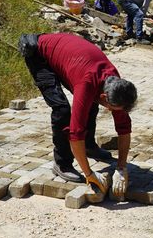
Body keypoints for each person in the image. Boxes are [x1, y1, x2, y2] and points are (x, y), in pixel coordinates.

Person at [18, 32, 136, 198]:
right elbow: (75, 133)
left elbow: (124, 127)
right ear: (105, 98)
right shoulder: (87, 83)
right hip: (38, 54)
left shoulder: (114, 83)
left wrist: (121, 168)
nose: (112, 112)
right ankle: (62, 163)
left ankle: (89, 147)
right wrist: (89, 174)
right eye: (111, 108)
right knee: (62, 110)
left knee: (91, 104)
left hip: (70, 57)